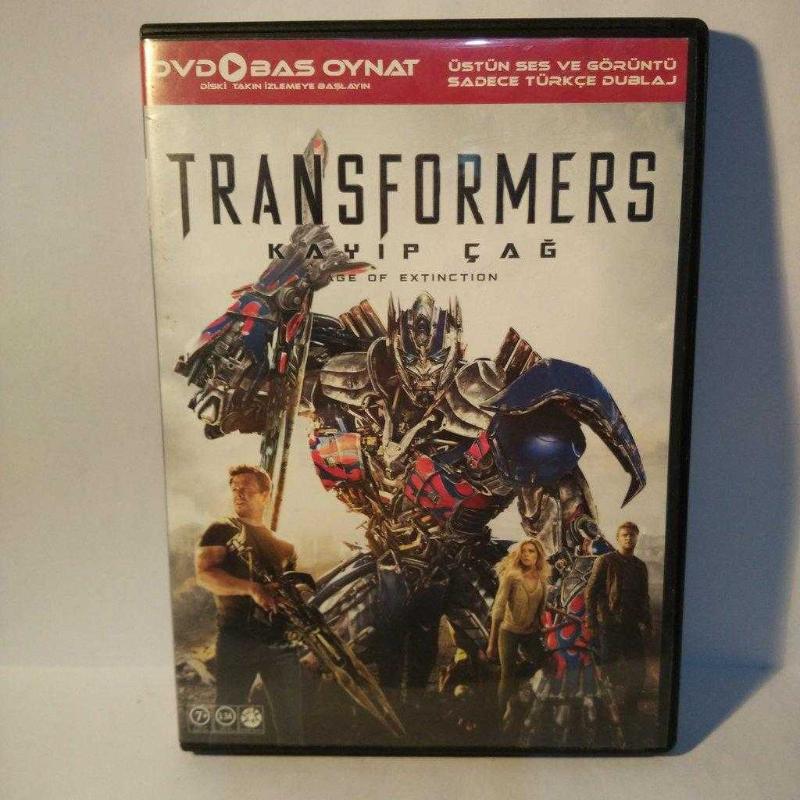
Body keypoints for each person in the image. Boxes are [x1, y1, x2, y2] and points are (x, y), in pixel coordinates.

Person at [194, 464, 304, 744]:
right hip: (237, 638)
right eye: (234, 488)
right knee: (227, 718)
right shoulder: (221, 530)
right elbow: (205, 574)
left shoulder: (285, 547)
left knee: (292, 725)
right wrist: (252, 589)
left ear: (265, 495)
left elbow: (292, 590)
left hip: (281, 642)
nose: (238, 494)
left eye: (246, 489)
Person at [585, 521, 651, 726]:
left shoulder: (640, 566)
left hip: (631, 625)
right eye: (624, 535)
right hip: (609, 624)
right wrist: (592, 620)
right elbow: (590, 592)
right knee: (608, 670)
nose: (628, 538)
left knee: (638, 670)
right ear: (618, 538)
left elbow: (644, 597)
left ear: (637, 537)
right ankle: (604, 714)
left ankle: (630, 710)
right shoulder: (605, 561)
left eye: (632, 535)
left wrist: (647, 622)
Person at [487, 539, 550, 716]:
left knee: (544, 663)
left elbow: (541, 608)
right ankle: (499, 715)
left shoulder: (542, 578)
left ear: (538, 555)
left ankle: (520, 688)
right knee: (507, 675)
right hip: (508, 632)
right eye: (523, 551)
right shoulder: (511, 576)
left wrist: (541, 626)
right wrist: (492, 643)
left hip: (530, 633)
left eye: (531, 551)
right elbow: (498, 609)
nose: (526, 555)